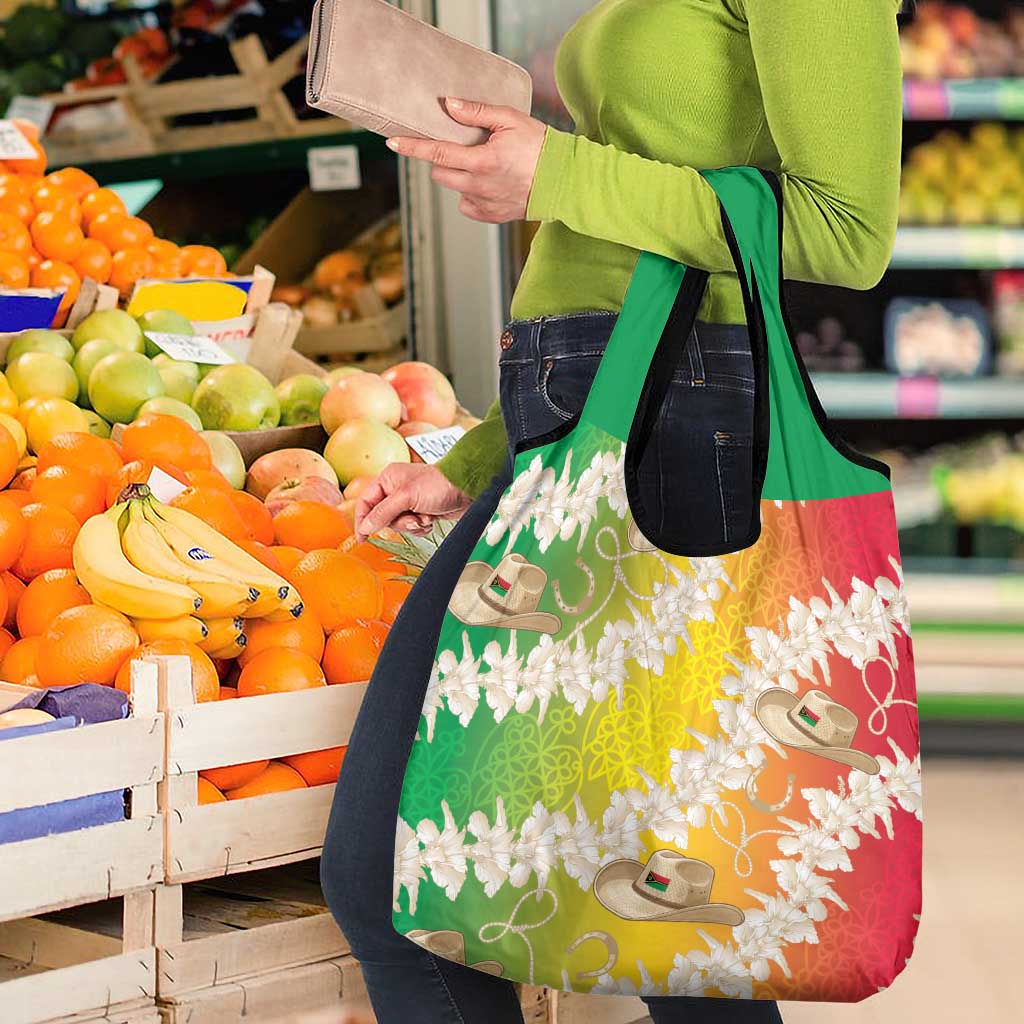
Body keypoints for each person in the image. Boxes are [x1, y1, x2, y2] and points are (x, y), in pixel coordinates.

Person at [321, 2, 906, 1021]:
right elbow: (621, 243)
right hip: (591, 427)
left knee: (638, 916)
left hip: (677, 435)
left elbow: (847, 230)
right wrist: (479, 456)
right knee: (628, 917)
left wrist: (557, 172)